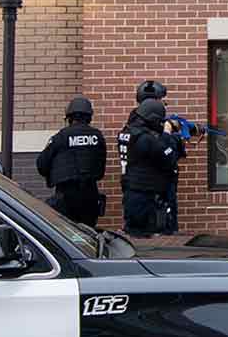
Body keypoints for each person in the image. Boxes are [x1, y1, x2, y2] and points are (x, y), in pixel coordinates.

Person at [35, 96, 108, 226]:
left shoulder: (61, 136)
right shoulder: (97, 136)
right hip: (90, 194)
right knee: (88, 232)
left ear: (69, 117)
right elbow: (101, 169)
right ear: (89, 117)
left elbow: (42, 164)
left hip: (66, 194)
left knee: (67, 233)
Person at [122, 95, 186, 239]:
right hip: (145, 197)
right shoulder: (146, 139)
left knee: (135, 235)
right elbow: (169, 158)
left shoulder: (129, 131)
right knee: (147, 241)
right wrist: (167, 133)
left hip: (132, 193)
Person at [118, 80, 169, 235]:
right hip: (143, 190)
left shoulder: (130, 129)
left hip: (132, 187)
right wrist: (168, 136)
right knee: (142, 235)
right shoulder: (144, 136)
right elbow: (166, 157)